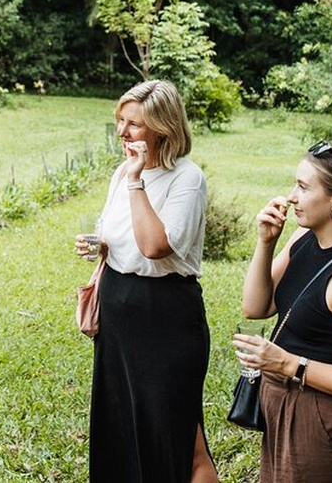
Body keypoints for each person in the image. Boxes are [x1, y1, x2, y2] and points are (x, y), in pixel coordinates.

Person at [74, 80, 217, 483]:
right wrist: (98, 244)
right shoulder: (121, 173)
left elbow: (155, 246)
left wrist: (138, 179)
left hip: (166, 319)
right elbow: (117, 235)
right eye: (120, 121)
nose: (122, 133)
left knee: (179, 440)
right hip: (119, 317)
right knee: (121, 430)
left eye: (134, 125)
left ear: (162, 128)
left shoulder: (186, 179)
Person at [233, 141, 332, 482]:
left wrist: (288, 363)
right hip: (284, 407)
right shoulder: (304, 238)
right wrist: (266, 242)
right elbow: (255, 306)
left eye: (303, 187)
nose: (291, 196)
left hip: (323, 420)